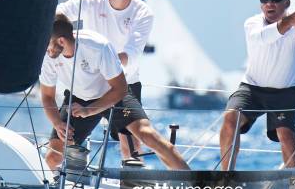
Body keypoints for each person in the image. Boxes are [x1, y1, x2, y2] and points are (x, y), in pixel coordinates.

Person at [40, 14, 189, 172]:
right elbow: (47, 97)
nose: (45, 49)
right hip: (78, 99)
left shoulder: (98, 46)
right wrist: (57, 123)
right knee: (53, 157)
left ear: (61, 41)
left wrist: (89, 110)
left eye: (48, 44)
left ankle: (197, 187)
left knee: (147, 135)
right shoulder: (48, 57)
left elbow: (120, 88)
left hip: (113, 95)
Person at [57, 0, 153, 163]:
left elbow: (131, 55)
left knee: (131, 144)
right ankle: (54, 183)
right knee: (60, 144)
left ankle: (132, 186)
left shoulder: (143, 12)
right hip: (86, 84)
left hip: (123, 85)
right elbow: (58, 14)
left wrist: (99, 63)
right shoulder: (91, 1)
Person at [220, 0, 295, 170]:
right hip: (251, 88)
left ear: (286, 3)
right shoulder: (253, 23)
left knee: (285, 134)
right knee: (230, 118)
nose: (269, 3)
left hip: (284, 91)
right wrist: (291, 21)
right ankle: (225, 179)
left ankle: (294, 186)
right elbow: (264, 38)